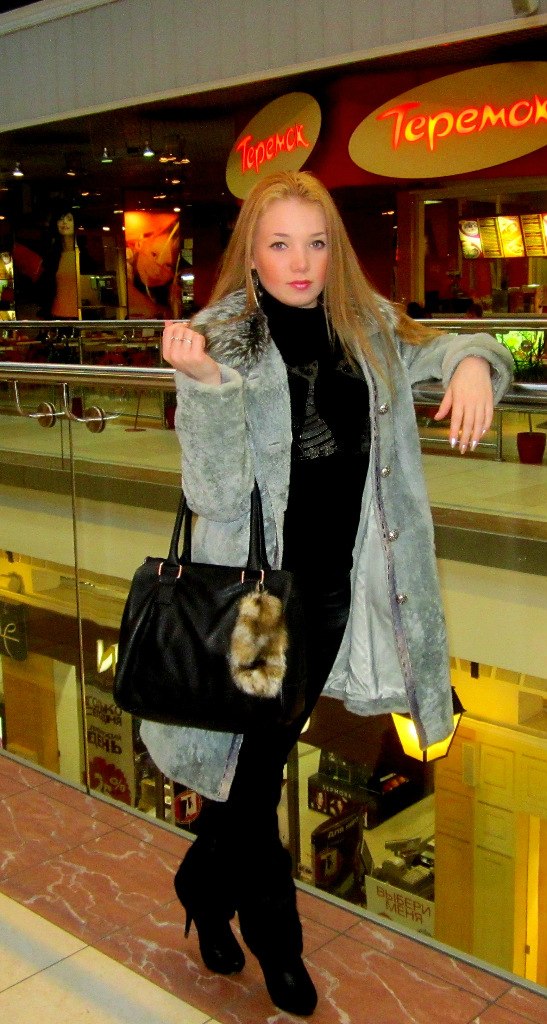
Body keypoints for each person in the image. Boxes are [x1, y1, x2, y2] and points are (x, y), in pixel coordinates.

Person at [141, 171, 513, 1016]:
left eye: (314, 242)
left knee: (255, 766)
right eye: (279, 244)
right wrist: (202, 387)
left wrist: (472, 366)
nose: (300, 261)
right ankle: (276, 942)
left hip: (336, 597)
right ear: (251, 253)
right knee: (254, 776)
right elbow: (212, 492)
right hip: (257, 602)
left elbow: (454, 343)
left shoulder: (366, 325)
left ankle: (201, 886)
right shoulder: (220, 338)